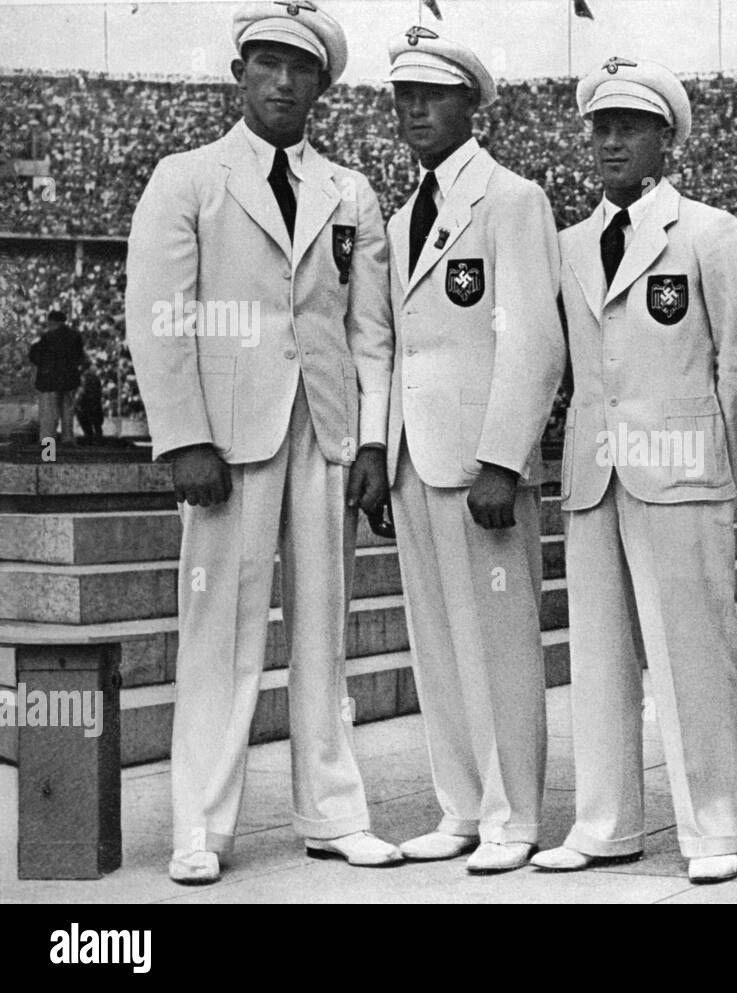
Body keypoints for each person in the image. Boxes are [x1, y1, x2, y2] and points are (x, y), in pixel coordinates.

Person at [124, 1, 399, 885]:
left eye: (301, 67)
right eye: (268, 64)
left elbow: (369, 331)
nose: (284, 81)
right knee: (218, 635)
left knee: (326, 629)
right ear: (240, 73)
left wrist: (368, 442)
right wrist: (184, 438)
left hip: (322, 429)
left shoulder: (350, 190)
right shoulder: (188, 177)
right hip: (228, 443)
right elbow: (160, 320)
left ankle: (333, 811)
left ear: (323, 83)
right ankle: (200, 825)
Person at [531, 56, 737, 884]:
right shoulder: (567, 244)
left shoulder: (708, 231)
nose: (610, 141)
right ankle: (606, 821)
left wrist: (711, 457)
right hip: (595, 475)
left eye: (629, 126)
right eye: (600, 126)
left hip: (682, 472)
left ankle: (714, 824)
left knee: (694, 654)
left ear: (666, 137)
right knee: (597, 659)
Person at [381, 26, 565, 875]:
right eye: (403, 96)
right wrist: (381, 456)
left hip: (480, 461)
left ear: (470, 104)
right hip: (415, 456)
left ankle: (513, 813)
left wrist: (504, 456)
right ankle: (460, 804)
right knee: (438, 643)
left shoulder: (511, 198)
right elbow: (397, 346)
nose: (414, 109)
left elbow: (533, 337)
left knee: (498, 641)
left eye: (432, 94)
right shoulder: (400, 214)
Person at [28, 309, 83, 447]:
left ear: (52, 322)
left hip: (50, 382)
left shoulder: (47, 337)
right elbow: (80, 358)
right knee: (68, 412)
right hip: (70, 380)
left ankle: (48, 446)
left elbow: (35, 356)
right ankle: (68, 440)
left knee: (49, 414)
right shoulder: (75, 336)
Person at [76, 364, 105, 441]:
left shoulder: (84, 378)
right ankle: (97, 439)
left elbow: (81, 392)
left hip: (86, 404)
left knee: (88, 426)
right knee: (97, 426)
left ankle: (90, 438)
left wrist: (78, 403)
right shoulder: (95, 378)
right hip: (95, 404)